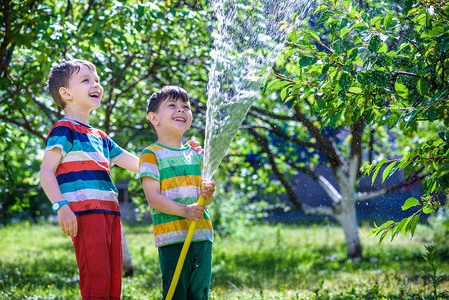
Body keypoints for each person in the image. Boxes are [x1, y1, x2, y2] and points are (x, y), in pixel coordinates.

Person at [39, 59, 140, 299]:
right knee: (97, 282)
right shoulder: (64, 129)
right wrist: (61, 207)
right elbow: (46, 172)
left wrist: (171, 159)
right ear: (66, 93)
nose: (96, 84)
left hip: (111, 214)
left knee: (114, 283)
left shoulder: (100, 137)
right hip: (85, 214)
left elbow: (135, 163)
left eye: (96, 80)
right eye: (86, 80)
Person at [139, 86, 215, 300]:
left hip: (202, 235)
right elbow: (153, 198)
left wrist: (208, 193)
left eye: (186, 107)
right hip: (172, 237)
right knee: (176, 293)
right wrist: (185, 210)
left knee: (199, 294)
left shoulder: (196, 155)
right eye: (172, 106)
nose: (181, 110)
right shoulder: (150, 155)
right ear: (154, 118)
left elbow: (204, 201)